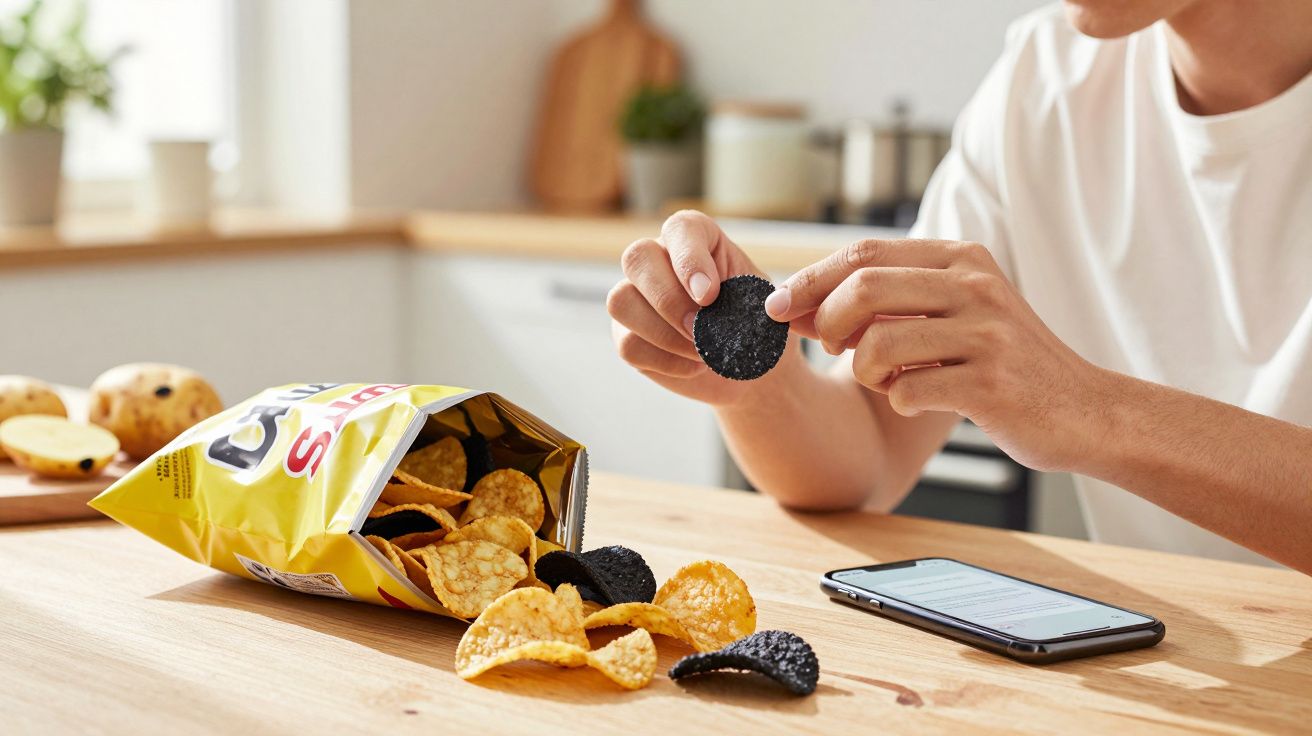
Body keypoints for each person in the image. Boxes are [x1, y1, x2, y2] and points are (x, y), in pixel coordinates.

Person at [606, 0, 1312, 574]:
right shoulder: (1043, 83)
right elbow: (871, 458)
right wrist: (761, 384)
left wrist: (1091, 411)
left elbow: (1084, 410)